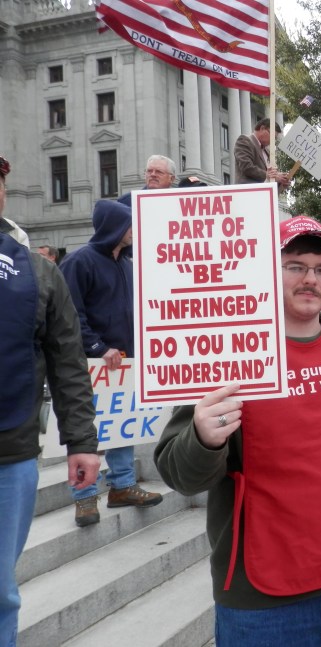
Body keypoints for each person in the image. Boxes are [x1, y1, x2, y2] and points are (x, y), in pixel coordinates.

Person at [154, 216, 321, 646]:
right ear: (268, 270)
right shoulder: (230, 354)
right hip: (264, 598)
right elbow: (181, 474)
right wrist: (202, 436)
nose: (311, 279)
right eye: (296, 266)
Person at [0, 154, 100, 645]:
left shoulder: (39, 272)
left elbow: (68, 364)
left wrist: (82, 442)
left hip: (10, 456)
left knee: (0, 591)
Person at [60, 200, 163, 527]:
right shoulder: (79, 262)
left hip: (124, 362)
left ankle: (122, 486)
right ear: (114, 228)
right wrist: (98, 347)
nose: (134, 231)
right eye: (129, 225)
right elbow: (70, 314)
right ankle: (84, 497)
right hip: (88, 365)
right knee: (86, 431)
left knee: (121, 422)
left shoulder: (128, 264)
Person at [234, 118, 291, 189]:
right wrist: (268, 175)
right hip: (248, 192)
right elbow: (246, 167)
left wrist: (281, 181)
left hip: (263, 195)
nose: (273, 140)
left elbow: (269, 177)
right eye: (272, 136)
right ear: (262, 128)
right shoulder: (245, 140)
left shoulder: (266, 152)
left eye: (275, 138)